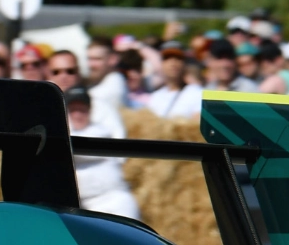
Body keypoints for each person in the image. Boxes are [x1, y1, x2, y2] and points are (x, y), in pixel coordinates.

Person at [65, 86, 141, 220]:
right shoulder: (64, 136)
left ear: (89, 111)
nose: (78, 115)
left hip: (115, 199)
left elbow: (80, 150)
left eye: (82, 110)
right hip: (84, 208)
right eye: (73, 110)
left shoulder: (101, 132)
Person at [147, 42, 203, 118]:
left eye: (178, 58)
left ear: (184, 63)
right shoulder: (155, 97)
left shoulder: (197, 93)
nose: (173, 63)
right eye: (167, 58)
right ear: (161, 63)